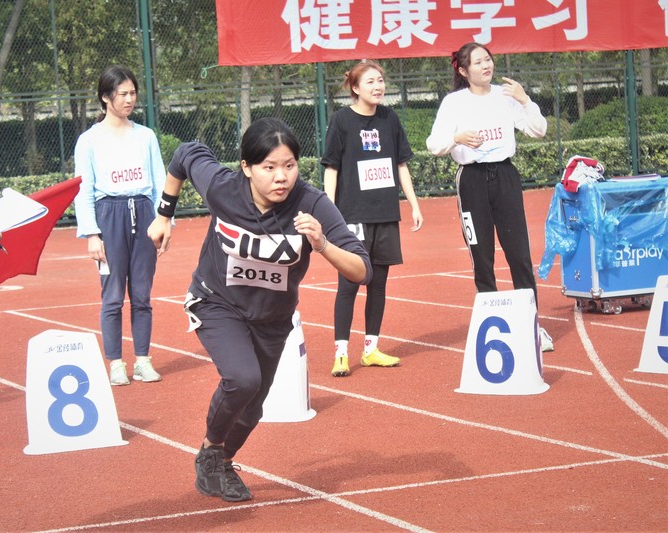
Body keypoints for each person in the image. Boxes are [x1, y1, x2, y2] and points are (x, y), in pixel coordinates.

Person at [147, 118, 371, 502]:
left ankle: (219, 461)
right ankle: (211, 453)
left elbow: (362, 271)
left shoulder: (311, 204)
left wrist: (322, 244)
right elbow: (184, 154)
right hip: (216, 301)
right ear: (247, 167)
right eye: (269, 167)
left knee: (252, 410)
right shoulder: (222, 188)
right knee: (243, 378)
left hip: (272, 319)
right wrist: (163, 215)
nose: (281, 177)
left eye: (290, 165)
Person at [425, 42, 554, 352]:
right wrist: (456, 137)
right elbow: (434, 144)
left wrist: (525, 100)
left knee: (519, 255)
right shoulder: (454, 103)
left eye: (488, 59)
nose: (486, 66)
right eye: (478, 62)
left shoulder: (506, 97)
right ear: (463, 70)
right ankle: (493, 329)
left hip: (505, 177)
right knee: (482, 258)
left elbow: (539, 130)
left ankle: (531, 327)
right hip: (472, 181)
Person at [321, 59, 423, 378]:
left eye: (380, 80)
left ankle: (370, 349)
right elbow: (331, 168)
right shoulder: (341, 120)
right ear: (355, 87)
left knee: (378, 284)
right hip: (352, 215)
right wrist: (330, 212)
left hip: (385, 214)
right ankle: (341, 353)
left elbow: (401, 164)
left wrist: (414, 204)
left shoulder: (389, 118)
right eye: (370, 82)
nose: (378, 86)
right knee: (349, 283)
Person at [74, 65, 166, 386]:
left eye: (133, 93)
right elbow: (83, 189)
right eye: (122, 94)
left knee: (142, 295)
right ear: (105, 97)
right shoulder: (89, 140)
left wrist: (162, 222)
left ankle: (142, 360)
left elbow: (159, 182)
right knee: (112, 296)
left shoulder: (146, 136)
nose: (129, 99)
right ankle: (115, 363)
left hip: (143, 213)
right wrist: (92, 233)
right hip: (108, 215)